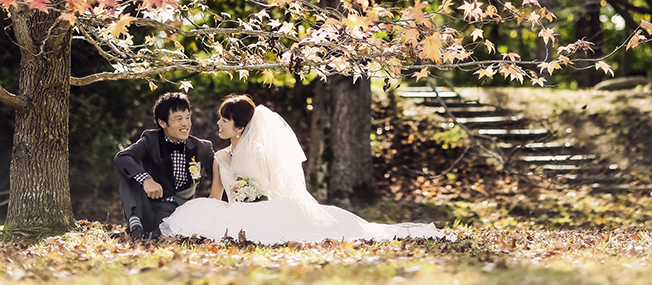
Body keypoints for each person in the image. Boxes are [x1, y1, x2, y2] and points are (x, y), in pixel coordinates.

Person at [160, 94, 445, 244]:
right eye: (220, 119)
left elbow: (276, 187)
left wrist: (251, 192)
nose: (219, 124)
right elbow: (214, 196)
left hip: (262, 208)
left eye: (225, 120)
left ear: (240, 127)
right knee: (202, 213)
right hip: (234, 210)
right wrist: (212, 214)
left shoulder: (260, 153)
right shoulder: (219, 155)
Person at [115, 92, 216, 239]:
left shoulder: (203, 147)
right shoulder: (151, 139)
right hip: (150, 213)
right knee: (129, 173)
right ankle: (135, 227)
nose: (185, 124)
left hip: (181, 217)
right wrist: (146, 179)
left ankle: (148, 236)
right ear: (162, 123)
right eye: (178, 119)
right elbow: (122, 157)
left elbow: (221, 175)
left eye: (188, 117)